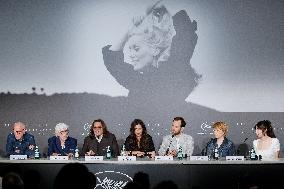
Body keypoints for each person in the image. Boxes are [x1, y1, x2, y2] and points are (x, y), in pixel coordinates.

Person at [103, 3, 200, 105]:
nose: (131, 55)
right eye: (130, 49)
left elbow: (185, 34)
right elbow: (113, 61)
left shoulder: (173, 71)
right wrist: (129, 31)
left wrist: (160, 5)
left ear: (154, 50)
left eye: (136, 49)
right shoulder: (139, 82)